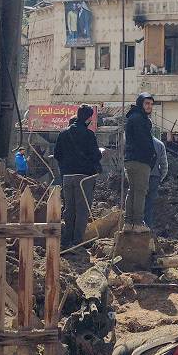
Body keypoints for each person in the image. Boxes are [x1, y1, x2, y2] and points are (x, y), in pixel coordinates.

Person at [53, 104, 102, 248]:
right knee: (82, 209)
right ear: (88, 118)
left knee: (69, 208)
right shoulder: (88, 135)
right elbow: (96, 155)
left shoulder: (63, 133)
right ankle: (77, 241)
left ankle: (67, 239)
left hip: (67, 176)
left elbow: (57, 155)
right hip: (84, 177)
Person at [123, 92, 157, 229]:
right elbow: (144, 142)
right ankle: (137, 223)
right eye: (147, 103)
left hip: (131, 159)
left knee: (133, 190)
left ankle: (128, 222)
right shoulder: (140, 119)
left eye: (151, 104)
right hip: (140, 160)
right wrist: (152, 156)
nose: (149, 107)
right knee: (140, 191)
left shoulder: (134, 117)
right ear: (140, 104)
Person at [144, 136, 168, 229]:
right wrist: (160, 178)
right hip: (154, 177)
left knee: (139, 201)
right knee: (149, 205)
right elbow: (164, 165)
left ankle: (137, 225)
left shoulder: (138, 142)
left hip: (140, 176)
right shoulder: (159, 144)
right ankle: (147, 227)